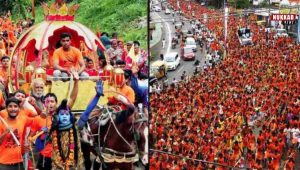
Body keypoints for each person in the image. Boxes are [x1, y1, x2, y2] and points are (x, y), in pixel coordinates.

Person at [30, 71, 79, 170]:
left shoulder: (62, 114)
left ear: (56, 104)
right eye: (47, 102)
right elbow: (31, 138)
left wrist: (76, 81)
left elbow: (72, 99)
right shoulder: (38, 119)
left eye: (52, 101)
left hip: (62, 157)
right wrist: (40, 136)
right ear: (44, 104)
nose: (50, 104)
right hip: (45, 158)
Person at [0, 97, 33, 170]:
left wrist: (30, 139)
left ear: (19, 108)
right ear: (6, 108)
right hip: (4, 164)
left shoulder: (23, 119)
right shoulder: (1, 122)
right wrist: (5, 133)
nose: (13, 109)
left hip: (19, 162)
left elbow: (37, 121)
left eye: (15, 106)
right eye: (10, 106)